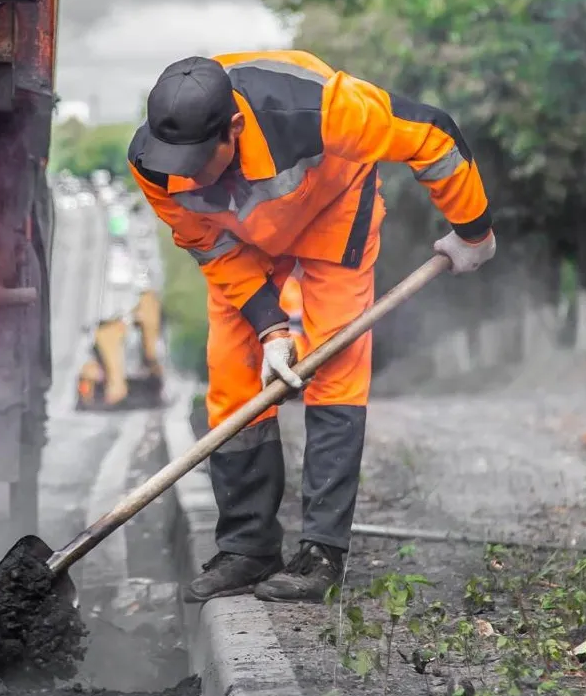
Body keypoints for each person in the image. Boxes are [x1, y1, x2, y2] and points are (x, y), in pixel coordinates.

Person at [127, 50, 495, 604]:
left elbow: (432, 135)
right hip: (244, 245)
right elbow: (210, 246)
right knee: (231, 379)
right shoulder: (154, 163)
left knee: (335, 370)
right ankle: (248, 548)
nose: (188, 172)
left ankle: (322, 551)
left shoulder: (316, 108)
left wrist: (472, 229)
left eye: (202, 159)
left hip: (333, 215)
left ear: (234, 127)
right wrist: (271, 327)